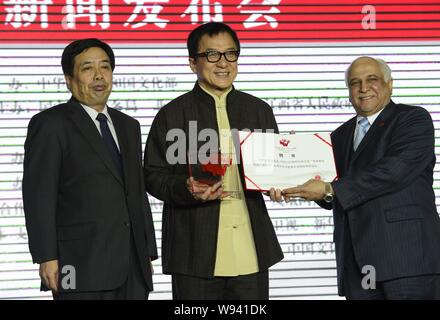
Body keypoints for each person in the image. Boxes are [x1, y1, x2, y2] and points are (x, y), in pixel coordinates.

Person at [271, 56, 440, 299]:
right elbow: (329, 188)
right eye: (354, 82)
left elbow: (394, 171)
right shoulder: (339, 136)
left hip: (406, 260)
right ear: (348, 91)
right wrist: (289, 176)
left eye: (372, 80)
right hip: (357, 262)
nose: (363, 88)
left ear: (389, 84)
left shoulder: (412, 119)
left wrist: (331, 190)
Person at [143, 22, 283, 300]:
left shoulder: (259, 111)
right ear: (193, 63)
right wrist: (186, 187)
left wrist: (281, 182)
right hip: (195, 250)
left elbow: (274, 169)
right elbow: (152, 175)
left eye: (231, 54)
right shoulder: (172, 114)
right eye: (212, 55)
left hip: (250, 248)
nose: (223, 63)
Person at [22, 38, 157, 300]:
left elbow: (136, 193)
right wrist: (47, 256)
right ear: (69, 79)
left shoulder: (128, 125)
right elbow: (39, 196)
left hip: (132, 265)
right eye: (87, 68)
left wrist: (146, 251)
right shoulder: (51, 124)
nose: (99, 76)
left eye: (105, 67)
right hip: (79, 261)